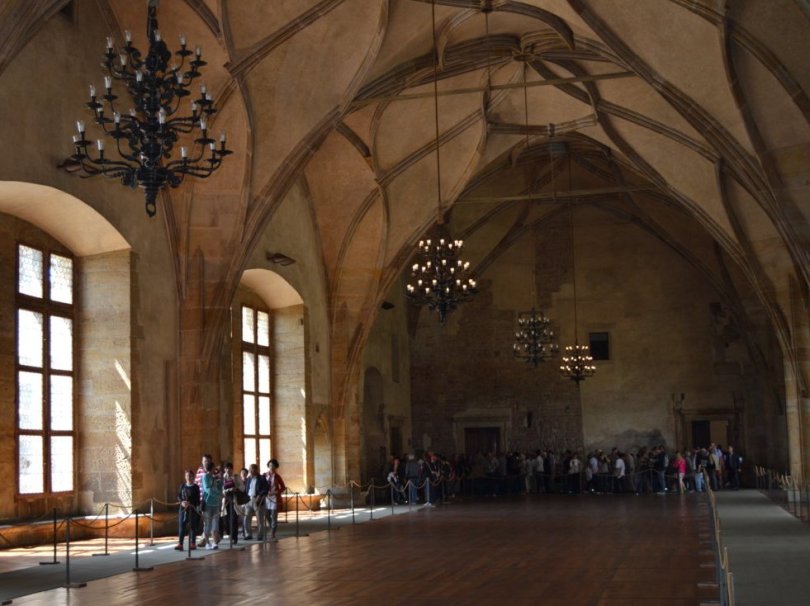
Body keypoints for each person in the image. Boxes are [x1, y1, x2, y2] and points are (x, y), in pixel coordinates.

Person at [176, 469, 200, 551]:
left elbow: (197, 500)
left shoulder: (196, 487)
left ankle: (193, 543)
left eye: (190, 476)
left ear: (193, 477)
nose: (188, 477)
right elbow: (179, 496)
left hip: (192, 509)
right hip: (183, 509)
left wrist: (191, 504)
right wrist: (182, 502)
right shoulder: (182, 486)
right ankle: (180, 544)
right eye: (187, 476)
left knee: (192, 526)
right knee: (182, 526)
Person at [200, 460, 223, 549]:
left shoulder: (214, 477)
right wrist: (218, 495)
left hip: (216, 503)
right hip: (208, 503)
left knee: (215, 524)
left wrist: (220, 480)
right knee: (208, 524)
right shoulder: (205, 477)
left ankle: (214, 542)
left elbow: (219, 488)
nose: (215, 469)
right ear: (212, 468)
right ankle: (207, 543)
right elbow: (207, 489)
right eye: (214, 468)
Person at [243, 463, 268, 540]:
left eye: (252, 469)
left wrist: (259, 496)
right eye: (250, 469)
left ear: (256, 470)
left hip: (257, 499)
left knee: (259, 518)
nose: (250, 471)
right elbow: (246, 489)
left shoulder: (262, 478)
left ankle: (260, 535)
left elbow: (265, 489)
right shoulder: (248, 479)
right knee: (246, 518)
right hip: (249, 500)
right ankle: (248, 534)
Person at [221, 462, 243, 545]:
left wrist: (236, 488)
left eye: (230, 469)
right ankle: (230, 534)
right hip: (226, 501)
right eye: (227, 468)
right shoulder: (222, 478)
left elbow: (242, 487)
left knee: (234, 519)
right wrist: (226, 491)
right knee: (226, 519)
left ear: (232, 469)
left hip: (234, 500)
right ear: (224, 469)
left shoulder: (236, 477)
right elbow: (220, 489)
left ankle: (234, 537)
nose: (228, 470)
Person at [264, 459, 287, 540]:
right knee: (266, 514)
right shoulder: (264, 475)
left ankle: (273, 532)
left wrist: (276, 492)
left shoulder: (277, 476)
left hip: (275, 498)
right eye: (270, 465)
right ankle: (271, 527)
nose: (271, 467)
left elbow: (283, 487)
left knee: (274, 516)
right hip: (266, 498)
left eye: (273, 465)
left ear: (276, 467)